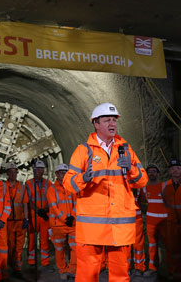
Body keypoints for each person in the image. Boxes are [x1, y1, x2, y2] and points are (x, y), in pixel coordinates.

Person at [63, 102, 148, 282]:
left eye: (114, 120)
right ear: (96, 123)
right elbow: (68, 184)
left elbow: (142, 180)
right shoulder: (83, 151)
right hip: (91, 228)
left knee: (120, 275)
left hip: (119, 227)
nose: (112, 124)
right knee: (87, 275)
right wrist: (83, 179)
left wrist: (132, 170)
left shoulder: (126, 149)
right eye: (107, 120)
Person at [48, 163, 77, 281]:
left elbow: (76, 203)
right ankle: (63, 270)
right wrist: (66, 219)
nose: (63, 174)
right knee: (60, 249)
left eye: (65, 172)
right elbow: (54, 207)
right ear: (56, 174)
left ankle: (72, 269)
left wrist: (73, 217)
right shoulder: (52, 189)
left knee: (75, 248)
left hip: (72, 224)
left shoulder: (71, 188)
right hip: (58, 225)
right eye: (61, 172)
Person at [25, 160, 53, 271]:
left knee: (44, 240)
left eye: (42, 169)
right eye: (39, 169)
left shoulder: (48, 183)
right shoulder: (28, 183)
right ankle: (31, 262)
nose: (40, 171)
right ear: (34, 170)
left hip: (44, 215)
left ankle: (45, 262)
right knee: (32, 239)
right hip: (34, 215)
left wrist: (45, 210)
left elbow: (51, 198)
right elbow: (28, 200)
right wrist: (37, 210)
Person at [142, 164, 167, 277]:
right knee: (152, 246)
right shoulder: (144, 189)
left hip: (164, 223)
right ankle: (152, 269)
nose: (151, 173)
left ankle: (166, 270)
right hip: (151, 223)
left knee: (166, 247)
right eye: (149, 171)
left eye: (154, 171)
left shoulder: (165, 186)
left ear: (158, 174)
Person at [5, 162, 28, 278]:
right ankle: (10, 266)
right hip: (8, 221)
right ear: (7, 174)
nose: (13, 174)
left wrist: (26, 219)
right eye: (11, 172)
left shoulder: (22, 187)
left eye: (15, 172)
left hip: (19, 220)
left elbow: (25, 204)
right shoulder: (3, 186)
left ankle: (18, 269)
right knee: (10, 245)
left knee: (19, 246)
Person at [161, 158, 181, 280]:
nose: (175, 171)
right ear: (169, 171)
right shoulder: (164, 186)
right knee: (172, 251)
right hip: (171, 224)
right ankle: (173, 273)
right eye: (173, 169)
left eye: (178, 168)